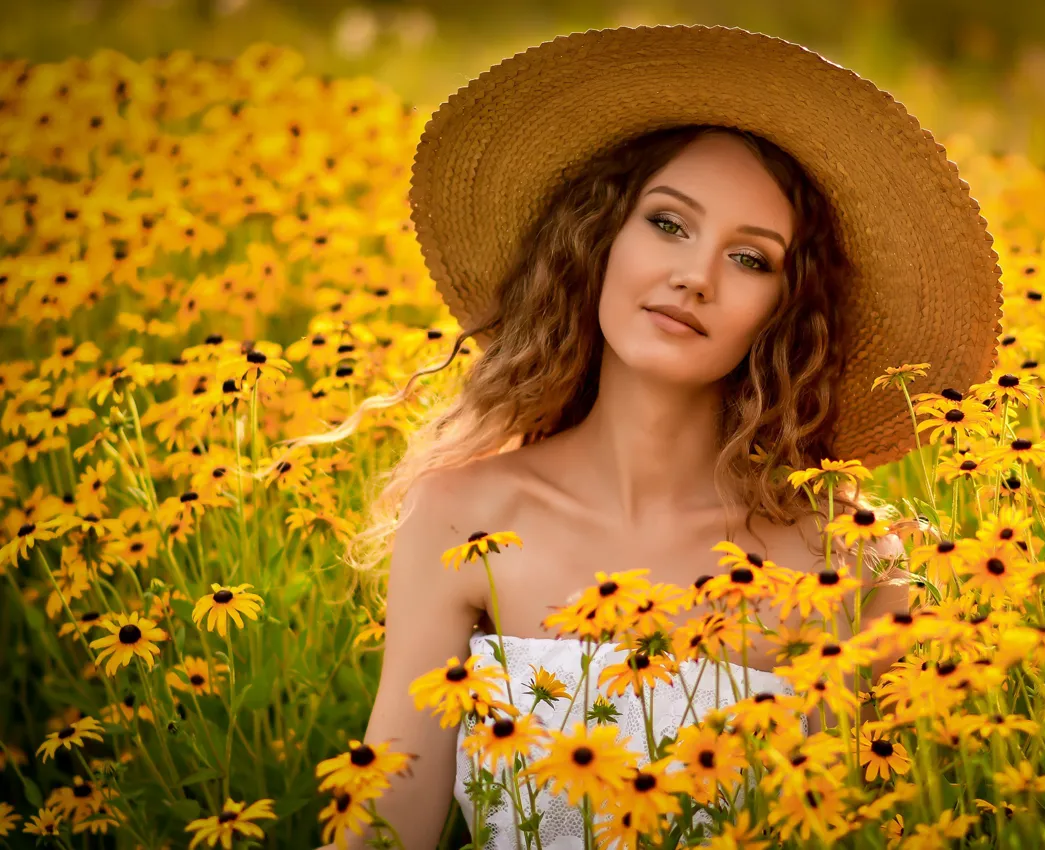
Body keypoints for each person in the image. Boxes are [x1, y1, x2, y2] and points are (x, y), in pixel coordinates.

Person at [302, 24, 1003, 850]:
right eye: (669, 224)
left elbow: (893, 821)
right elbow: (389, 826)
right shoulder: (462, 518)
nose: (694, 277)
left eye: (751, 260)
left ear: (791, 311)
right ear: (599, 238)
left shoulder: (848, 563)